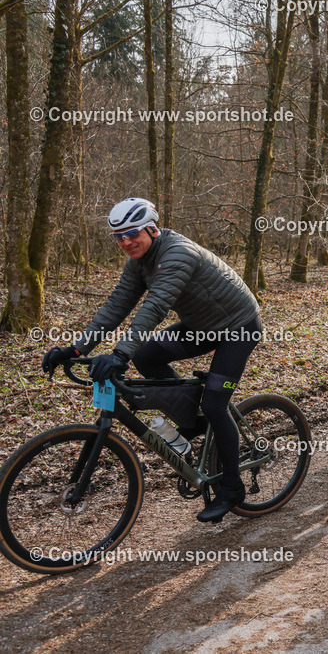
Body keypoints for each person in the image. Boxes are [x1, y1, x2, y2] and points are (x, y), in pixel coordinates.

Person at [42, 198, 262, 523]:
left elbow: (155, 307)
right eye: (118, 236)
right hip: (201, 327)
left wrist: (118, 355)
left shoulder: (178, 253)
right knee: (147, 357)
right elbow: (116, 306)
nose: (126, 242)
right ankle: (194, 422)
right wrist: (75, 350)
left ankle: (231, 489)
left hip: (238, 328)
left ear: (152, 228)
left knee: (216, 403)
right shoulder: (138, 262)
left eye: (131, 233)